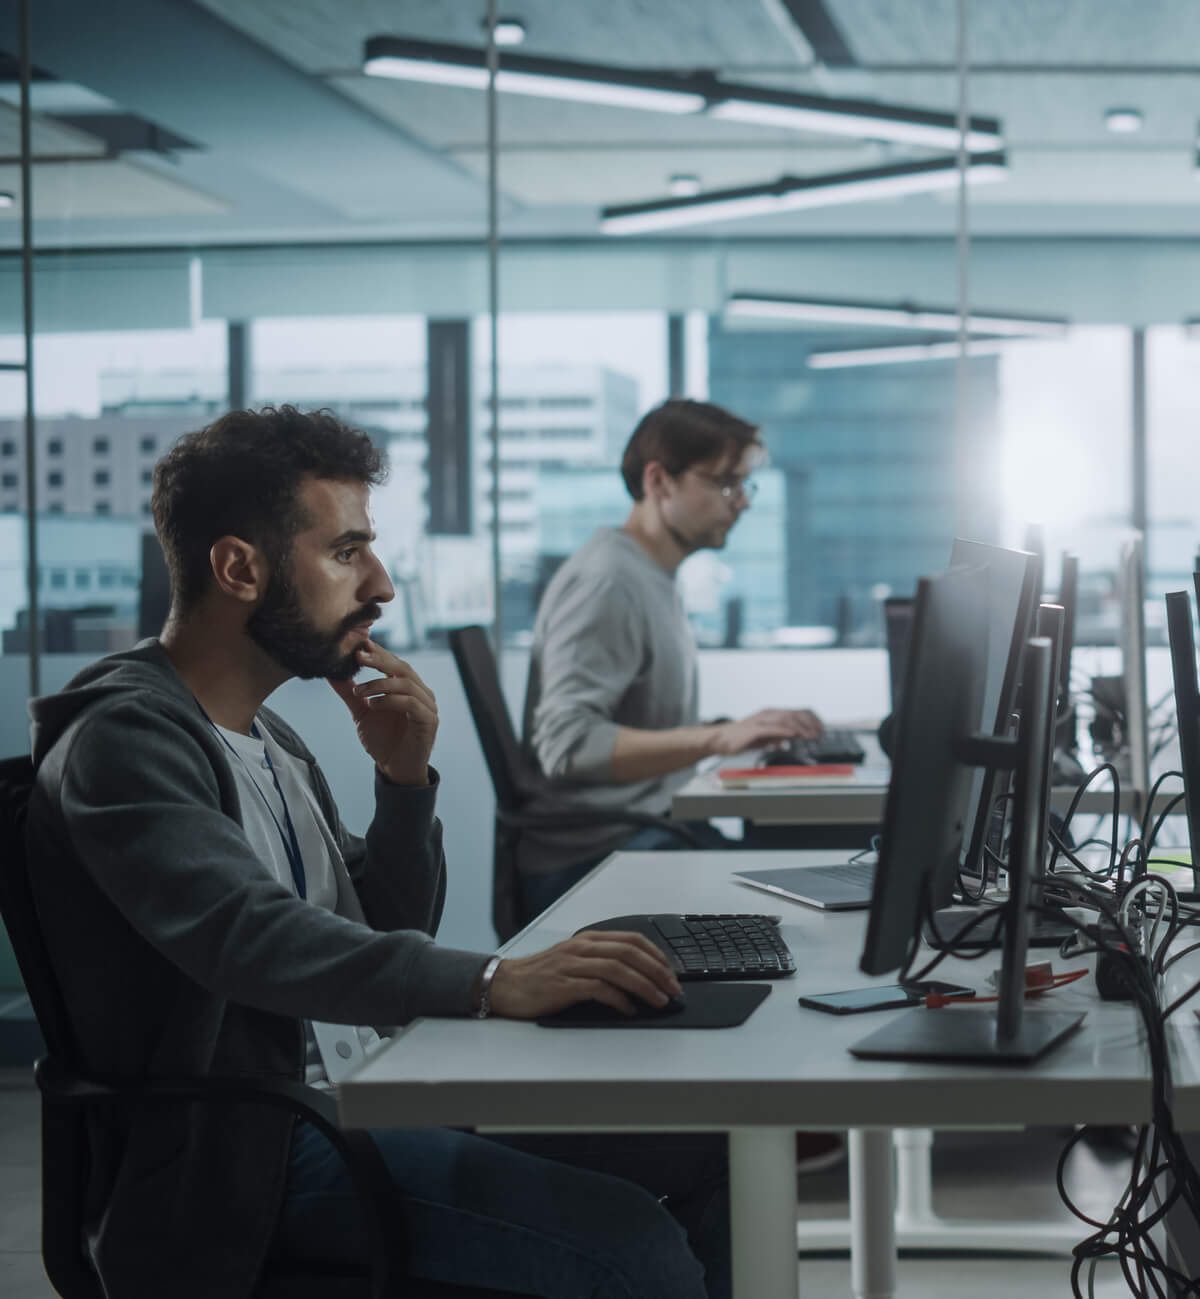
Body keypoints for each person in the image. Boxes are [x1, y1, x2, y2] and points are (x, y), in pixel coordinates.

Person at [26, 406, 729, 1299]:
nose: (383, 584)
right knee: (629, 1245)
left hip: (373, 1097)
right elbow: (251, 937)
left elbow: (379, 926)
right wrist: (488, 980)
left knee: (713, 1144)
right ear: (240, 567)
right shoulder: (126, 740)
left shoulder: (267, 733)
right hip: (257, 1158)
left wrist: (403, 787)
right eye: (346, 550)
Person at [519, 399, 823, 922]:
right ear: (659, 481)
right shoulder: (609, 583)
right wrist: (714, 739)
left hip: (650, 830)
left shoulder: (651, 575)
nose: (742, 502)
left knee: (819, 869)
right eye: (727, 482)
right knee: (814, 900)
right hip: (595, 859)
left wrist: (732, 730)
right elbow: (565, 744)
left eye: (744, 484)